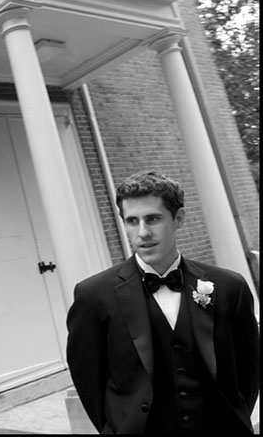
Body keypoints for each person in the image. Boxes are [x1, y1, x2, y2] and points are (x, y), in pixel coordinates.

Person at [67, 170, 259, 435]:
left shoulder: (229, 287)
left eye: (153, 219)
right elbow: (89, 381)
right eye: (132, 221)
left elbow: (249, 369)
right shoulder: (93, 295)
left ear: (178, 218)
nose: (142, 232)